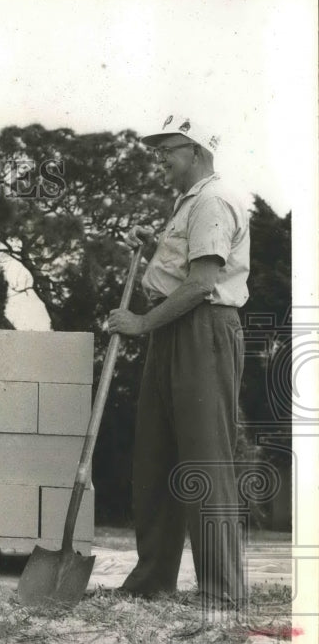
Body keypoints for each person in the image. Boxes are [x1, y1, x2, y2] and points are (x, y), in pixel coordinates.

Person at [106, 114, 249, 609]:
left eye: (169, 149)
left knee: (204, 459)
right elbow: (181, 270)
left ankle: (221, 590)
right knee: (156, 455)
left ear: (197, 151)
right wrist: (154, 247)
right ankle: (152, 580)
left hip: (203, 329)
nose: (161, 158)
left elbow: (202, 282)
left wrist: (141, 324)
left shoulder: (212, 199)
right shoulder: (189, 203)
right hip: (173, 330)